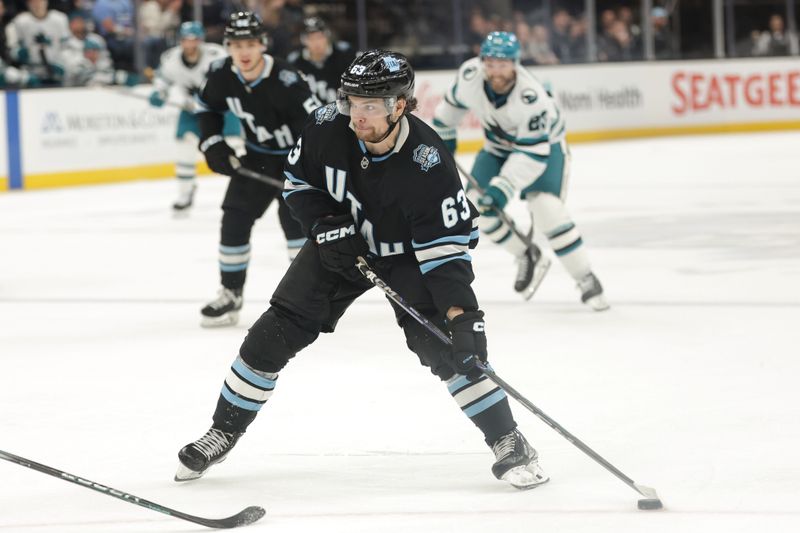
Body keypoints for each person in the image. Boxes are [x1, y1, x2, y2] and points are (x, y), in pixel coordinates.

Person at [174, 49, 550, 491]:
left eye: (371, 105)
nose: (358, 115)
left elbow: (446, 256)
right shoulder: (324, 125)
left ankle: (509, 439)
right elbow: (297, 184)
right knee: (271, 333)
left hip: (408, 256)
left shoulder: (429, 164)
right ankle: (222, 431)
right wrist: (323, 224)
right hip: (340, 246)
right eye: (352, 102)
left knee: (447, 348)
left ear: (401, 105)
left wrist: (463, 317)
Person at [433, 31, 608, 311]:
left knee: (547, 209)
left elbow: (531, 154)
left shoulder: (531, 98)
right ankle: (526, 254)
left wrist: (502, 188)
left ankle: (585, 277)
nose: (495, 70)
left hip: (544, 150)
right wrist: (444, 142)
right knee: (473, 209)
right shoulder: (470, 76)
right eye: (490, 63)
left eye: (502, 64)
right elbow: (448, 111)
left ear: (515, 63)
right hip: (497, 148)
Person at [194, 11, 319, 327]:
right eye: (237, 45)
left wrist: (309, 171)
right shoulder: (221, 74)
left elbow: (317, 127)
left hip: (296, 161)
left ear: (262, 44)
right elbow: (207, 108)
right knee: (234, 218)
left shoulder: (287, 80)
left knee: (295, 229)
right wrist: (212, 144)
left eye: (250, 43)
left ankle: (307, 298)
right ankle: (231, 293)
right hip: (258, 156)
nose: (244, 52)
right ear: (227, 47)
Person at [148, 21, 238, 213]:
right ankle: (185, 192)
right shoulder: (171, 59)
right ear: (180, 41)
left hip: (222, 109)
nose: (190, 45)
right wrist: (159, 93)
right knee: (184, 147)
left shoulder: (216, 55)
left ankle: (245, 190)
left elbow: (231, 77)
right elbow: (162, 79)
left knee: (235, 147)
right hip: (191, 111)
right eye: (186, 40)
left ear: (201, 40)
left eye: (194, 40)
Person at [287, 16, 356, 104]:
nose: (316, 43)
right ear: (303, 40)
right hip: (311, 112)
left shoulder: (345, 54)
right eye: (311, 38)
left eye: (319, 37)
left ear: (327, 36)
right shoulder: (296, 61)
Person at [5, 0, 70, 86]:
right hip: (31, 71)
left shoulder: (60, 19)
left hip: (55, 69)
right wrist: (18, 52)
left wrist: (62, 64)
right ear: (28, 4)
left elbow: (67, 46)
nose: (37, 4)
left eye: (40, 1)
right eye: (33, 2)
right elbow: (12, 47)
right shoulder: (19, 21)